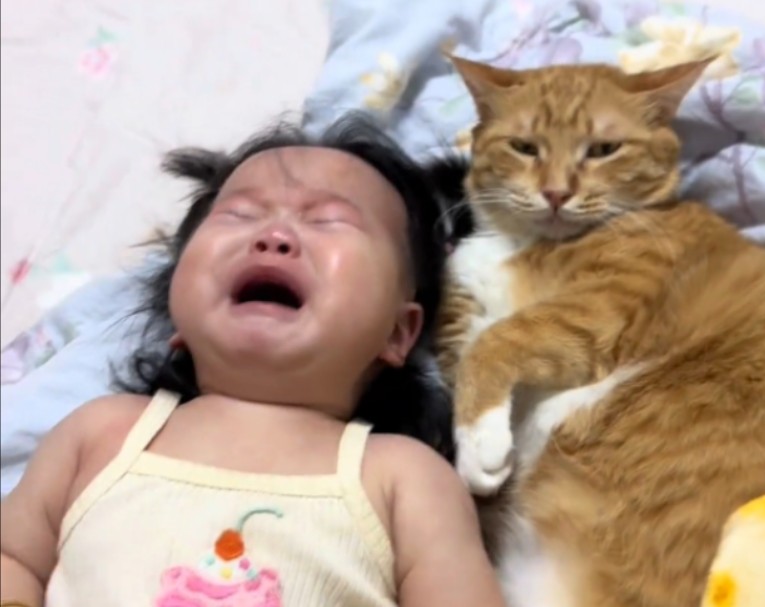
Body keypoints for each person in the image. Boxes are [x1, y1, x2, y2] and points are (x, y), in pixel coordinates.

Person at [0, 115, 506, 607]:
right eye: (239, 215)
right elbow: (12, 558)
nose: (273, 236)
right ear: (176, 310)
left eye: (329, 221)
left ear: (398, 333)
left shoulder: (403, 478)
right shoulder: (101, 434)